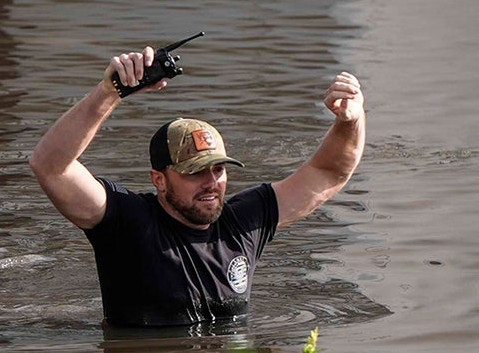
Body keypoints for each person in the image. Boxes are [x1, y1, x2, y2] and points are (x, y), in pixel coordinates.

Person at [28, 45, 366, 327]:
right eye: (194, 172)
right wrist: (109, 93)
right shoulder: (126, 223)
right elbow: (50, 166)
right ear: (159, 180)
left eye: (218, 170)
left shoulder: (244, 223)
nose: (211, 183)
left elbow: (328, 172)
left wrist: (350, 120)